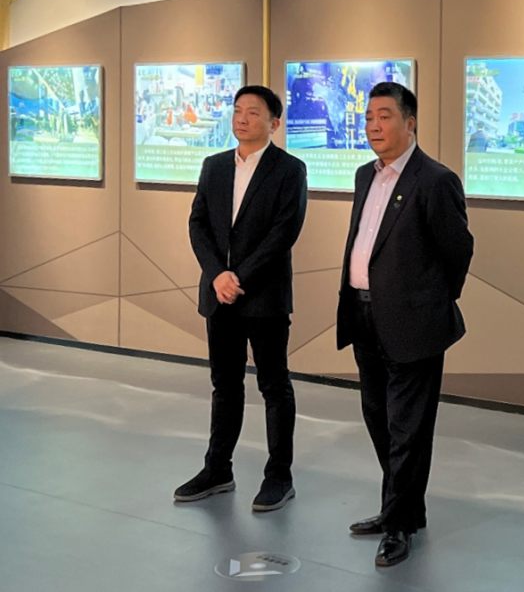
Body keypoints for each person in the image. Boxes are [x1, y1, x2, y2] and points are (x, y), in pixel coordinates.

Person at [336, 82, 474, 567]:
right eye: (369, 117)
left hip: (413, 322)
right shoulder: (364, 175)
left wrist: (428, 302)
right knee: (379, 419)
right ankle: (403, 508)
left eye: (385, 116)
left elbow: (458, 251)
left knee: (407, 429)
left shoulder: (434, 180)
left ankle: (398, 525)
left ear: (410, 123)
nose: (374, 126)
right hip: (363, 314)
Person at [177, 85, 308, 512]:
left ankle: (279, 476)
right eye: (237, 110)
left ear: (274, 122)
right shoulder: (214, 166)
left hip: (264, 295)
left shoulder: (290, 169)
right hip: (219, 295)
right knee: (225, 386)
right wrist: (218, 275)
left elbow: (284, 232)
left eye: (253, 112)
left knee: (274, 386)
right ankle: (218, 469)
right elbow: (197, 224)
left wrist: (239, 278)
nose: (242, 118)